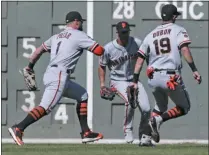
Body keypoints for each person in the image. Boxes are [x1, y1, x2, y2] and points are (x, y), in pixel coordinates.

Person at [8, 11, 105, 146]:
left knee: (82, 95)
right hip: (59, 75)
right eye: (81, 22)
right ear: (76, 22)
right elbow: (99, 50)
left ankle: (86, 132)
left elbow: (38, 50)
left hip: (52, 74)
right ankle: (19, 128)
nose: (82, 24)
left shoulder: (56, 36)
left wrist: (30, 66)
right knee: (46, 107)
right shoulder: (79, 35)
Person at [132, 4, 202, 143]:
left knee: (160, 106)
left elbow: (140, 59)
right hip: (170, 77)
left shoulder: (150, 34)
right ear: (174, 16)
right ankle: (158, 120)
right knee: (184, 107)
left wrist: (134, 80)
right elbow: (185, 50)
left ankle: (145, 138)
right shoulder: (178, 30)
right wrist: (194, 69)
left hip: (153, 77)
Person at [98, 21, 153, 146]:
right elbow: (102, 66)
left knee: (146, 109)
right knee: (130, 100)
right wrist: (102, 84)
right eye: (122, 32)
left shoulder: (137, 43)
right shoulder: (108, 48)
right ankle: (128, 129)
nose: (125, 35)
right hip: (117, 81)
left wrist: (151, 67)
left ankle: (144, 137)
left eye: (126, 32)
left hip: (134, 80)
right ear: (117, 33)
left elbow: (147, 55)